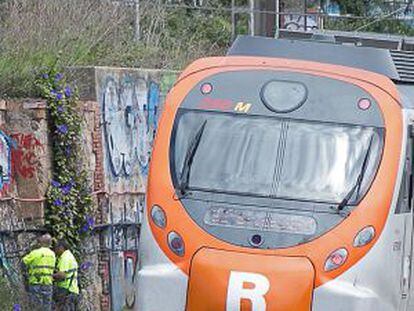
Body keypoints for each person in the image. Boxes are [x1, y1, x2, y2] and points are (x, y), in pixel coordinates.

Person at [22, 233, 56, 311]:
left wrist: (26, 273)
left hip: (35, 282)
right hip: (48, 283)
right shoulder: (52, 254)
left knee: (36, 307)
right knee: (46, 307)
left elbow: (24, 261)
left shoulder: (35, 253)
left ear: (41, 242)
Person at [53, 240, 79, 311]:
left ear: (61, 248)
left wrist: (50, 276)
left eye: (55, 248)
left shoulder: (65, 257)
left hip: (67, 291)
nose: (55, 251)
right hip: (72, 291)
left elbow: (62, 275)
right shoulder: (70, 256)